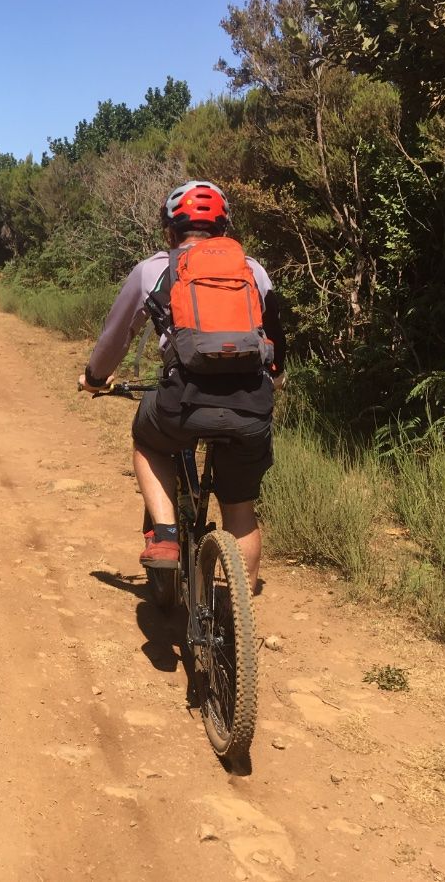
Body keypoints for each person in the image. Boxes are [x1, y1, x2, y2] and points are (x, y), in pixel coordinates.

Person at [77, 180, 286, 591]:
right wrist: (275, 378)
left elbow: (114, 338)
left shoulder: (153, 270)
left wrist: (95, 378)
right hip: (251, 404)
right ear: (225, 230)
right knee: (240, 509)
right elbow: (276, 337)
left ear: (169, 233)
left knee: (148, 438)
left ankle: (167, 537)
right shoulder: (252, 269)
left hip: (183, 401)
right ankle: (234, 613)